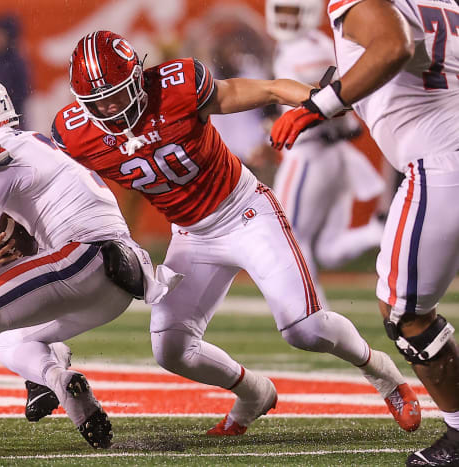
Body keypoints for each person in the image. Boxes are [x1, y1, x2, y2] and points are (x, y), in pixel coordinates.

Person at [49, 30, 420, 437]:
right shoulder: (74, 133)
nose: (110, 107)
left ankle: (383, 374)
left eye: (118, 93)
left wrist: (316, 99)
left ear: (139, 75)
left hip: (245, 212)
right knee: (171, 349)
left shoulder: (176, 87)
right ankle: (253, 392)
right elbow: (52, 187)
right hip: (191, 235)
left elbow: (265, 88)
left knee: (305, 329)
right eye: (97, 101)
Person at [0, 76, 180, 451]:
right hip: (120, 275)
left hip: (85, 256)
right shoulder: (31, 142)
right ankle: (62, 383)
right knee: (6, 336)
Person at [270, 0, 459, 464]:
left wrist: (320, 105)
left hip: (440, 161)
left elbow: (392, 45)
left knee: (405, 313)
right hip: (446, 148)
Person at [265, 0, 385, 309]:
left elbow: (327, 102)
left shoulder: (307, 49)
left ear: (307, 13)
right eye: (281, 10)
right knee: (330, 248)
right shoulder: (313, 44)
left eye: (292, 11)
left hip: (310, 152)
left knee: (286, 234)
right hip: (332, 154)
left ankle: (310, 310)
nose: (286, 19)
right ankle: (381, 230)